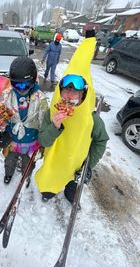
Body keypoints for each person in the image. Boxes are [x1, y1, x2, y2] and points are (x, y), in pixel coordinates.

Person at [35, 31, 109, 203]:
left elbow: (101, 141)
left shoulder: (92, 120)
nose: (69, 96)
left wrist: (88, 166)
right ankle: (49, 191)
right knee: (49, 186)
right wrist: (54, 126)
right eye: (66, 90)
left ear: (84, 95)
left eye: (76, 92)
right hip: (55, 164)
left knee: (72, 187)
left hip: (76, 165)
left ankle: (70, 191)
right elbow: (44, 142)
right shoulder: (52, 113)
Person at [0, 56, 48, 185]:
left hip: (31, 140)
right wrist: (2, 124)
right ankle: (8, 173)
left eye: (25, 84)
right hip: (11, 139)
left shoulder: (40, 98)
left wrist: (42, 142)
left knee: (28, 163)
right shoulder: (7, 94)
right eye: (16, 84)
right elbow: (2, 115)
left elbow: (42, 121)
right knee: (9, 161)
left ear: (33, 80)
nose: (21, 88)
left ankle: (26, 176)